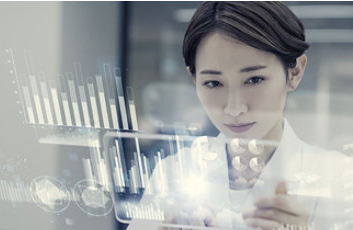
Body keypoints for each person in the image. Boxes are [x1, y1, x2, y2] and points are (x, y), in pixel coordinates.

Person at [127, 2, 349, 230]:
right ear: (194, 81)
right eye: (213, 83)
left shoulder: (339, 178)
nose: (234, 108)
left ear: (294, 72)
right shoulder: (174, 174)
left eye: (254, 80)